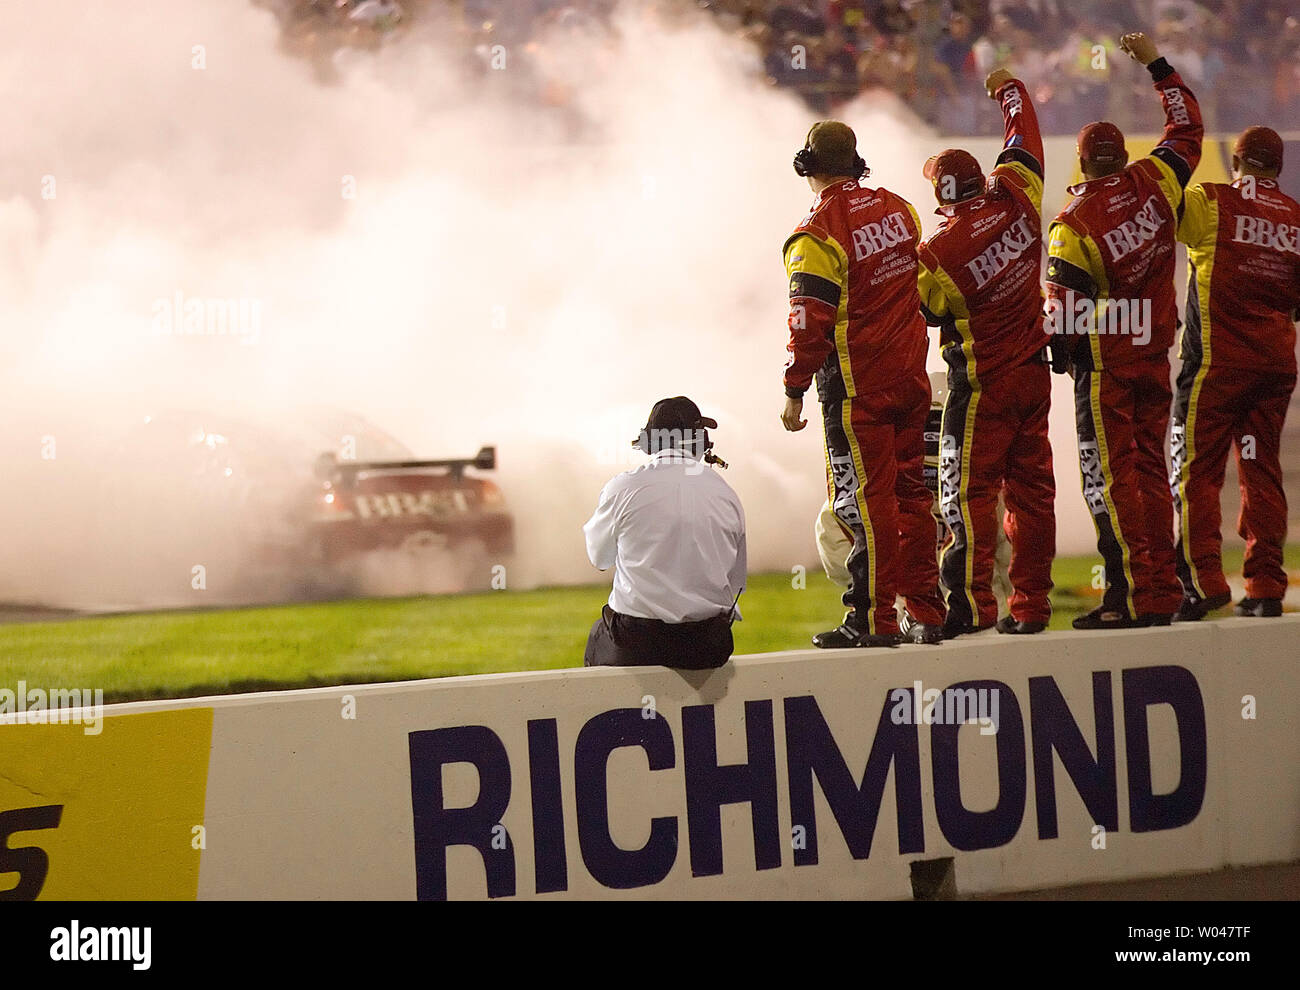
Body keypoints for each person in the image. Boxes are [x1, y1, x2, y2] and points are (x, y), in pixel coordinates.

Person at [1044, 30, 1203, 629]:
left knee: (1109, 483)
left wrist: (1058, 352)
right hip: (1156, 352)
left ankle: (1135, 596)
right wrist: (1158, 66)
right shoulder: (1157, 179)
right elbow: (1188, 129)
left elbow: (1061, 319)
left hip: (1106, 368)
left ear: (1082, 161)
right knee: (1152, 474)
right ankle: (1164, 584)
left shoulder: (1074, 224)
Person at [780, 120, 945, 647]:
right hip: (911, 377)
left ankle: (871, 620)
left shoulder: (816, 234)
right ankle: (926, 612)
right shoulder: (901, 208)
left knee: (867, 501)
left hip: (858, 386)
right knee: (913, 498)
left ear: (809, 165)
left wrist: (794, 387)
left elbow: (808, 320)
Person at [916, 66, 1057, 638]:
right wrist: (1010, 90)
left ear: (939, 195)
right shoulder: (1019, 191)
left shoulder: (936, 255)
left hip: (981, 388)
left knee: (966, 494)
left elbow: (927, 314)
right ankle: (1032, 606)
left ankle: (973, 608)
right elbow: (1025, 136)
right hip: (1034, 371)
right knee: (1034, 495)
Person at [1170, 126, 1300, 620]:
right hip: (1272, 368)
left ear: (1237, 163)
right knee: (1261, 471)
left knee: (1196, 475)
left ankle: (1203, 585)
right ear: (1278, 167)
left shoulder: (1211, 200)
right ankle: (1265, 585)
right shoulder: (1295, 217)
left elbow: (1164, 218)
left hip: (1214, 368)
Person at [582, 397, 745, 669]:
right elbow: (736, 580)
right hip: (708, 646)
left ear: (649, 442)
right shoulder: (727, 494)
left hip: (638, 643)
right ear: (698, 440)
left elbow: (599, 559)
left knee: (599, 633)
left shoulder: (622, 488)